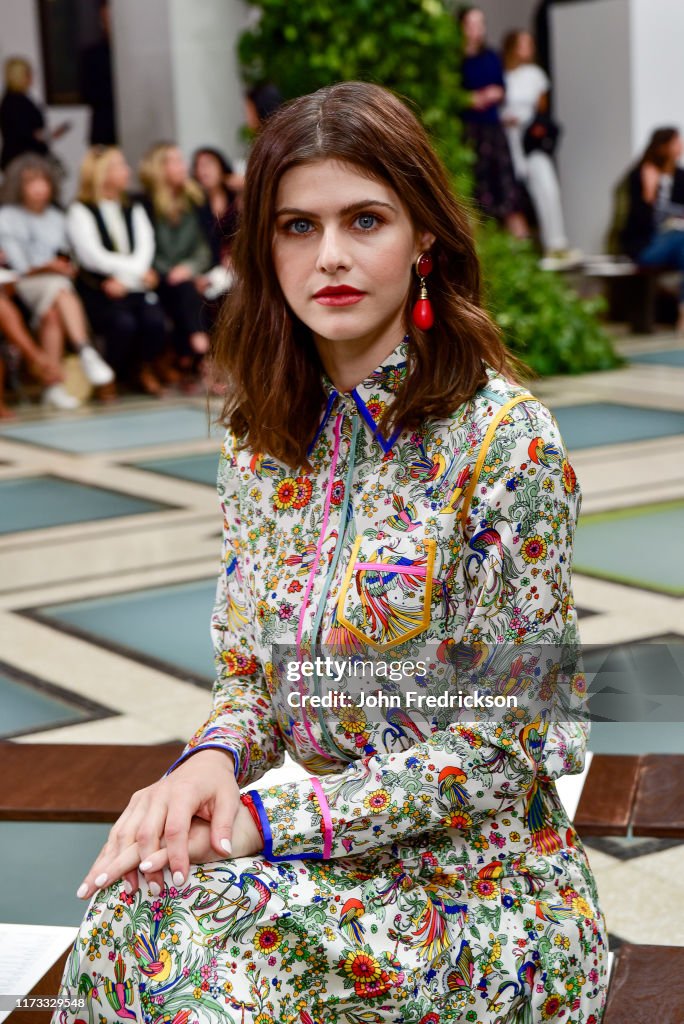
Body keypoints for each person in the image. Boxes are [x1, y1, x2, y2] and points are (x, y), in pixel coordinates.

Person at [56, 81, 608, 1023]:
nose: (332, 256)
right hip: (337, 868)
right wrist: (209, 762)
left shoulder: (503, 441)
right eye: (298, 227)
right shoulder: (263, 443)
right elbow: (251, 678)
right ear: (265, 249)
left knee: (196, 967)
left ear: (424, 236)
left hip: (489, 899)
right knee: (128, 916)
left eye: (365, 220)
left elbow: (507, 745)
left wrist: (267, 817)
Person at [0, 154, 114, 404]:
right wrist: (47, 267)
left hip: (54, 285)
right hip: (22, 284)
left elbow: (67, 255)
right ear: (18, 185)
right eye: (31, 182)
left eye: (43, 181)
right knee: (59, 288)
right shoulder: (7, 216)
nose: (39, 188)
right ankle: (85, 349)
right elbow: (19, 267)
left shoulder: (57, 217)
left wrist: (64, 267)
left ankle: (53, 386)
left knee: (52, 313)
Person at [67, 146, 168, 395]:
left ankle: (142, 369)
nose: (127, 171)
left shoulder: (133, 207)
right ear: (101, 173)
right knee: (122, 324)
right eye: (120, 166)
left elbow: (146, 247)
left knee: (155, 321)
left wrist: (130, 279)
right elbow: (92, 257)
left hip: (134, 284)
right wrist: (133, 276)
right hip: (100, 287)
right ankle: (111, 373)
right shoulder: (81, 210)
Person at [501, 30, 576, 264]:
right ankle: (520, 249)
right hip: (505, 139)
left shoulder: (535, 75)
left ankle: (556, 243)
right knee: (511, 195)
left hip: (529, 140)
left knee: (546, 188)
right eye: (524, 43)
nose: (529, 48)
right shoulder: (502, 75)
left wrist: (530, 125)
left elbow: (541, 110)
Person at [139, 143, 213, 369]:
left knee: (193, 288)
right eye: (176, 161)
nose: (183, 167)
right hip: (158, 277)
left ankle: (192, 355)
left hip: (192, 272)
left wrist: (190, 269)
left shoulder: (195, 199)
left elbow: (204, 246)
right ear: (159, 168)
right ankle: (201, 352)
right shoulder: (145, 205)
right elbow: (146, 249)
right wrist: (170, 273)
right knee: (184, 290)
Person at [459, 7, 528, 237]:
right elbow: (450, 95)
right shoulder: (453, 60)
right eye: (472, 24)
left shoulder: (491, 57)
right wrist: (470, 99)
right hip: (468, 134)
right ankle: (479, 250)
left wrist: (493, 94)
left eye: (481, 24)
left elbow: (502, 88)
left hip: (493, 130)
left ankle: (521, 249)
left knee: (507, 191)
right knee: (473, 195)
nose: (477, 30)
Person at [620, 127, 684, 332]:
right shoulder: (641, 174)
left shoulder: (680, 176)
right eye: (676, 142)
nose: (681, 146)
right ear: (662, 147)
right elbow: (638, 220)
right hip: (646, 245)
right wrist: (649, 195)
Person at [0, 57, 70, 171]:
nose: (32, 77)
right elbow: (24, 133)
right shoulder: (15, 102)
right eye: (28, 74)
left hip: (24, 158)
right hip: (23, 160)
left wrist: (48, 135)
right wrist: (47, 135)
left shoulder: (16, 99)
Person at [79, 0, 118, 145]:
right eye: (105, 19)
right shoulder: (92, 55)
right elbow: (88, 93)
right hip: (105, 127)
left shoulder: (131, 54)